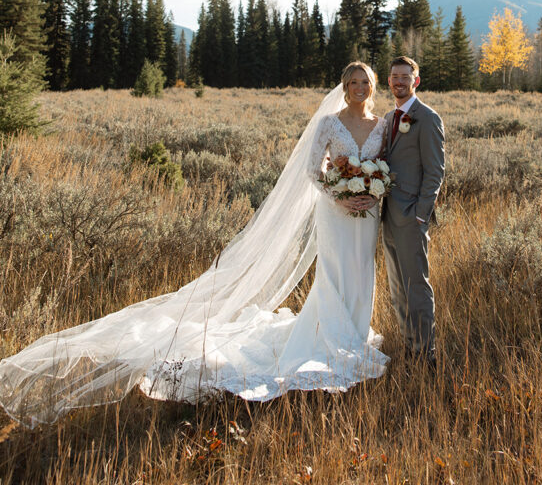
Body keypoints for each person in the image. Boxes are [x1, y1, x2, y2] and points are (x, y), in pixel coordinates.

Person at [0, 63, 388, 427]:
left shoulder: (380, 124)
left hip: (367, 212)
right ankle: (335, 338)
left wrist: (371, 194)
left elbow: (385, 165)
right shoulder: (328, 123)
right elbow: (311, 170)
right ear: (344, 86)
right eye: (353, 82)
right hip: (335, 212)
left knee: (363, 269)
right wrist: (339, 195)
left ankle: (355, 330)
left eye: (365, 82)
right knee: (335, 271)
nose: (359, 88)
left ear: (372, 86)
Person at [382, 56, 445, 365]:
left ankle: (426, 353)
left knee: (416, 287)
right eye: (394, 76)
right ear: (389, 80)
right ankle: (409, 347)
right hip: (387, 218)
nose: (399, 81)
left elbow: (435, 172)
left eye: (405, 76)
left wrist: (420, 213)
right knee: (397, 290)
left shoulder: (428, 118)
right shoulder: (389, 117)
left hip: (410, 217)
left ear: (416, 81)